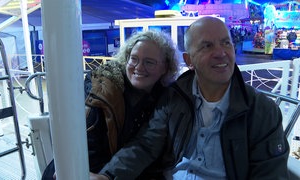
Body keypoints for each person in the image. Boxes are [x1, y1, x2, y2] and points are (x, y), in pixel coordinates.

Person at [92, 16, 290, 180]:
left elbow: (270, 174)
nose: (220, 53)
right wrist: (108, 176)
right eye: (207, 46)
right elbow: (145, 145)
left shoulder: (261, 110)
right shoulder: (174, 98)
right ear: (189, 60)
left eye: (226, 43)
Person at [41, 30, 180, 179]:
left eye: (149, 62)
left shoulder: (165, 97)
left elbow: (147, 145)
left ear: (165, 67)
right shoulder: (103, 87)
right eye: (134, 59)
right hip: (84, 169)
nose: (139, 67)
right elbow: (89, 143)